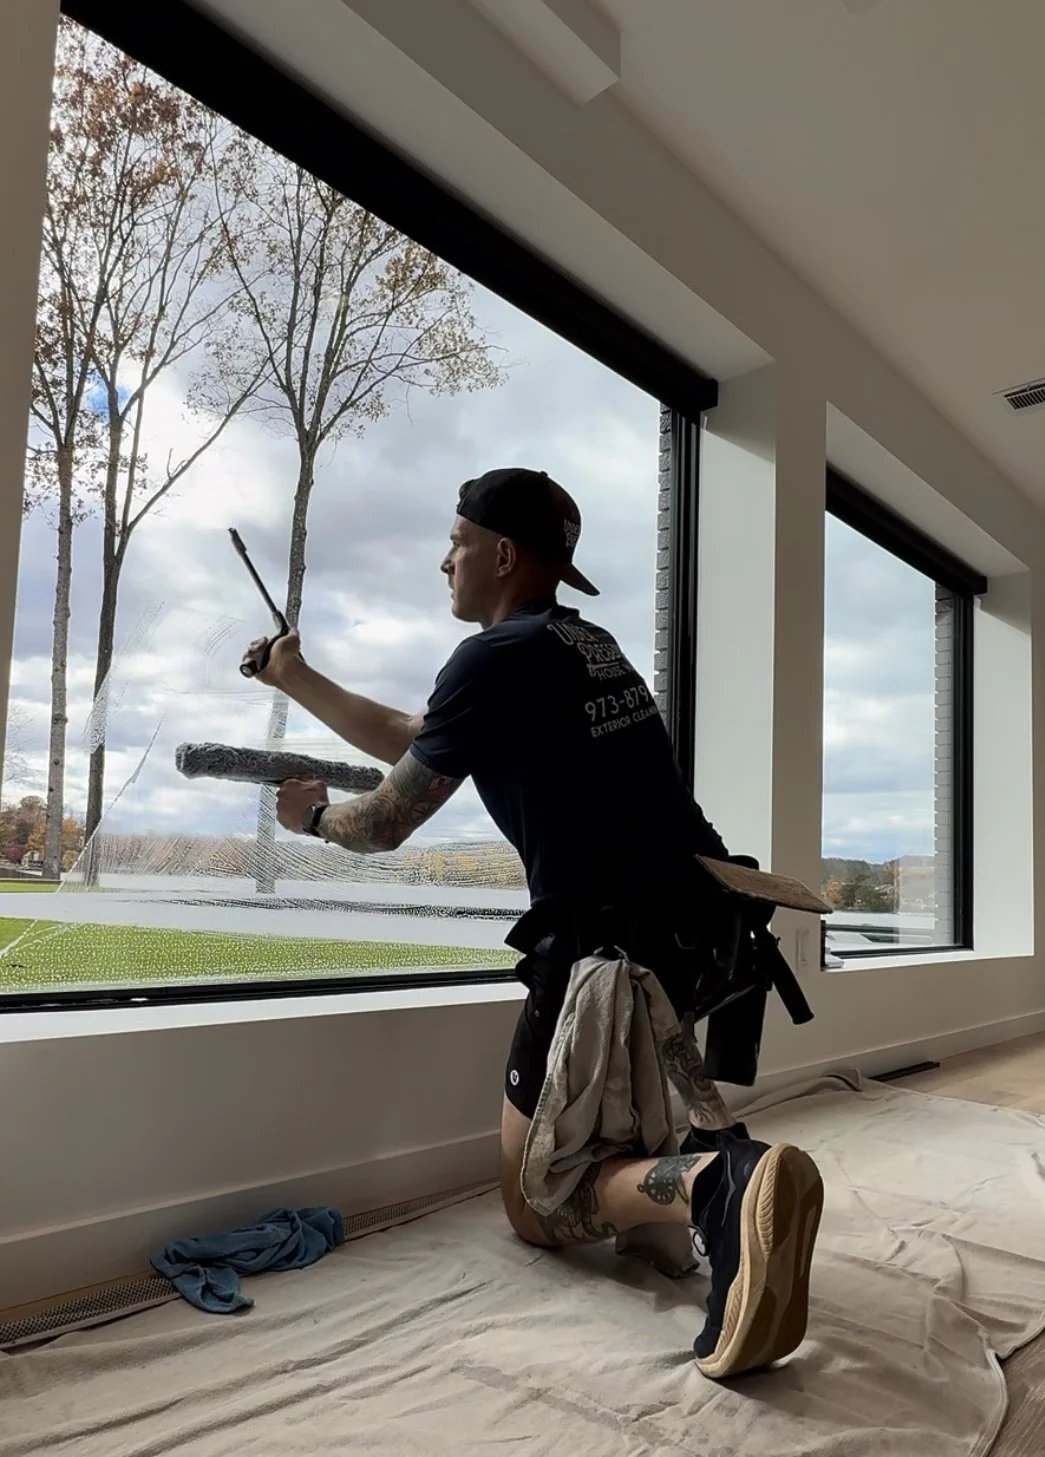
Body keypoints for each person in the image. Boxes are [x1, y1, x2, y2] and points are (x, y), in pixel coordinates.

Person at [246, 467, 823, 1380]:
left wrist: (312, 817)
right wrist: (299, 675)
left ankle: (724, 1185)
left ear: (501, 553)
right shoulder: (584, 645)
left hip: (600, 945)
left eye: (456, 542)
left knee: (534, 1203)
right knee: (611, 1123)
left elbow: (384, 822)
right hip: (693, 931)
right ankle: (715, 1177)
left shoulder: (491, 660)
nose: (444, 561)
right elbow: (424, 733)